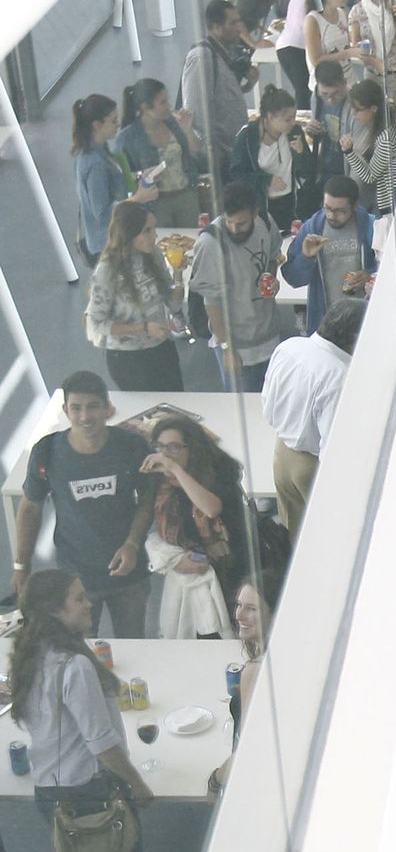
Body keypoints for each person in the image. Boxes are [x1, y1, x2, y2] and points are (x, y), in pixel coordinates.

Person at [9, 567, 167, 852]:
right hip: (94, 791)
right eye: (79, 599)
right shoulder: (75, 666)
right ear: (56, 610)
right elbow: (101, 741)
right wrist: (136, 782)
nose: (89, 602)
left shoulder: (30, 654)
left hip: (51, 791)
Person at [14, 373, 152, 637]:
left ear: (107, 409)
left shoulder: (132, 446)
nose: (85, 417)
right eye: (76, 408)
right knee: (79, 648)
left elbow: (147, 498)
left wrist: (133, 543)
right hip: (75, 575)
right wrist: (21, 565)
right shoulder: (47, 452)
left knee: (135, 643)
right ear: (66, 410)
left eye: (93, 406)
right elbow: (31, 507)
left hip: (129, 572)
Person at [261, 296, 365, 538]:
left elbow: (267, 398)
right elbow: (333, 446)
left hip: (281, 453)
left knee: (292, 532)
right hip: (310, 467)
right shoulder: (338, 376)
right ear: (355, 338)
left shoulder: (289, 347)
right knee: (327, 535)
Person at [140, 413, 250, 637]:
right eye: (160, 447)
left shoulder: (218, 472)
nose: (164, 455)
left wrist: (177, 471)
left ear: (192, 448)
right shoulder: (160, 480)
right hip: (188, 573)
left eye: (173, 448)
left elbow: (211, 508)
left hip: (231, 568)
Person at [189, 185, 283, 393]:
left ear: (255, 214)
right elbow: (211, 302)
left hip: (268, 333)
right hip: (236, 344)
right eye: (229, 222)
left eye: (241, 223)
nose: (234, 229)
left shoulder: (266, 223)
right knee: (242, 405)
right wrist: (226, 347)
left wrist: (271, 278)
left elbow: (272, 256)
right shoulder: (210, 243)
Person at [85, 202, 183, 394]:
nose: (154, 235)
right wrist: (144, 329)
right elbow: (97, 322)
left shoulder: (153, 254)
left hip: (162, 349)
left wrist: (179, 275)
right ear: (129, 233)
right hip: (129, 359)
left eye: (154, 229)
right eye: (147, 231)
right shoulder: (107, 271)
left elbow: (171, 302)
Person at [226, 86, 326, 236]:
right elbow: (237, 174)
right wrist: (266, 179)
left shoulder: (294, 132)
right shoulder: (248, 137)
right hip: (262, 206)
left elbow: (309, 171)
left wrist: (300, 153)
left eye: (294, 117)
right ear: (271, 117)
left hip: (291, 204)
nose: (293, 122)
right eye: (288, 119)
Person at [181, 0, 257, 189]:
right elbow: (195, 110)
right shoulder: (202, 57)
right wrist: (212, 148)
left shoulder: (224, 53)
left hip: (234, 152)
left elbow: (224, 95)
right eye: (232, 23)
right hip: (220, 158)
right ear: (215, 27)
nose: (239, 28)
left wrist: (249, 84)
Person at [284, 180, 376, 335]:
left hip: (364, 320)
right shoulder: (311, 228)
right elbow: (294, 279)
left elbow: (388, 268)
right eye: (327, 208)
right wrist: (306, 257)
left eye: (340, 211)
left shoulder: (370, 226)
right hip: (325, 322)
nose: (332, 216)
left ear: (354, 206)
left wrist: (370, 274)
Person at [114, 78, 204, 231]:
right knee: (162, 243)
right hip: (155, 204)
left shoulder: (174, 123)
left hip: (186, 195)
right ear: (145, 107)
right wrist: (142, 176)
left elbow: (196, 150)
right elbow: (122, 176)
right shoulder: (127, 138)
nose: (168, 106)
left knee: (191, 241)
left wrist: (187, 129)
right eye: (162, 102)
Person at [71, 93, 135, 264]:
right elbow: (102, 213)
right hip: (108, 245)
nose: (118, 124)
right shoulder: (95, 163)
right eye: (113, 121)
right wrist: (136, 199)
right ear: (97, 125)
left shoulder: (94, 151)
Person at [339, 77, 396, 218]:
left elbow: (369, 176)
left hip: (390, 200)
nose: (354, 115)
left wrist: (349, 151)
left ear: (373, 109)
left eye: (358, 110)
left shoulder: (387, 137)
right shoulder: (393, 112)